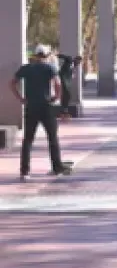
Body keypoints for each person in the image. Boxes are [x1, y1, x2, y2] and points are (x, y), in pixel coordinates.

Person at [11, 45, 70, 181]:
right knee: (52, 138)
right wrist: (56, 97)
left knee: (28, 140)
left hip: (31, 107)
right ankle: (56, 168)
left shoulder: (26, 68)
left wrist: (20, 98)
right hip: (46, 107)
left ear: (36, 55)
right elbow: (58, 83)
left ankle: (24, 172)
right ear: (46, 55)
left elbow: (12, 83)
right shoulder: (50, 67)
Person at [57, 53, 83, 118]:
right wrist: (58, 55)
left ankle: (64, 110)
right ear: (76, 59)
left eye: (79, 63)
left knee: (67, 96)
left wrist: (72, 75)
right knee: (67, 95)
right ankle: (64, 110)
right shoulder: (70, 60)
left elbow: (70, 73)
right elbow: (65, 57)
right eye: (78, 62)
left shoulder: (74, 66)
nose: (78, 64)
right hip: (62, 80)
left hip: (67, 82)